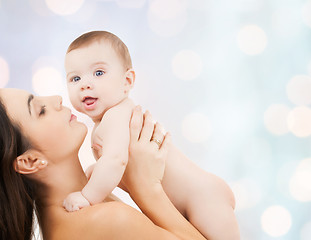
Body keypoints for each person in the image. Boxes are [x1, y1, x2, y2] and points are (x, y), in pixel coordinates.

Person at [64, 31, 240, 239]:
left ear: (127, 81)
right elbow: (119, 162)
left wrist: (87, 196)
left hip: (203, 199)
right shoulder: (111, 119)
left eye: (99, 73)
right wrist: (96, 169)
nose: (85, 83)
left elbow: (116, 161)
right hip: (195, 199)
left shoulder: (116, 116)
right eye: (75, 78)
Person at [0, 88, 207, 239]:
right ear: (30, 161)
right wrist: (146, 187)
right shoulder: (107, 220)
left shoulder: (77, 209)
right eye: (41, 110)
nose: (56, 98)